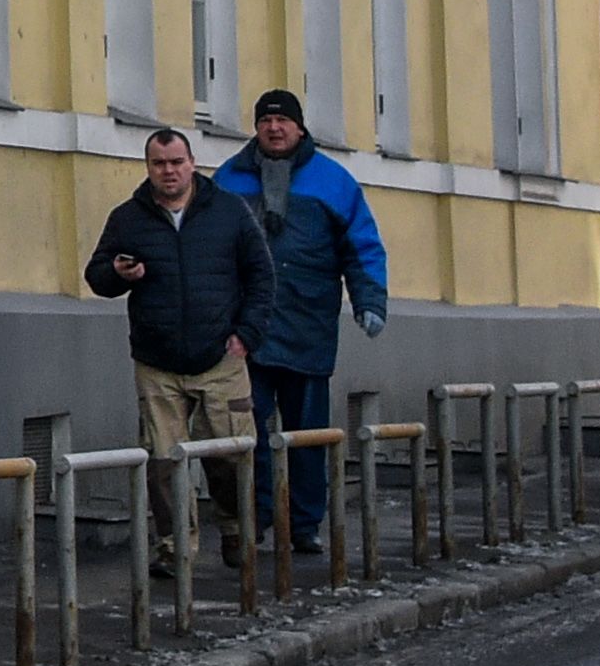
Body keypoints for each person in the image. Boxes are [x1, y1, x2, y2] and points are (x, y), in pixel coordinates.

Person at [84, 127, 276, 575]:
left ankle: (235, 529)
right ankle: (175, 548)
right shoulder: (129, 218)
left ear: (192, 163)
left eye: (176, 162)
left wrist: (246, 335)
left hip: (222, 356)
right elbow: (97, 275)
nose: (168, 172)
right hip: (157, 359)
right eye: (159, 164)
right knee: (164, 460)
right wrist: (118, 273)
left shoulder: (229, 211)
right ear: (148, 167)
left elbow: (262, 277)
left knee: (230, 455)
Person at [222, 89, 386, 562]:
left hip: (309, 326)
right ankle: (254, 519)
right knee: (245, 432)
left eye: (283, 121)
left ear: (299, 127)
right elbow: (209, 248)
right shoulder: (230, 179)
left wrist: (369, 299)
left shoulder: (334, 182)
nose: (274, 128)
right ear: (256, 127)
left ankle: (305, 524)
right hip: (247, 332)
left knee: (307, 433)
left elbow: (363, 245)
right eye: (266, 121)